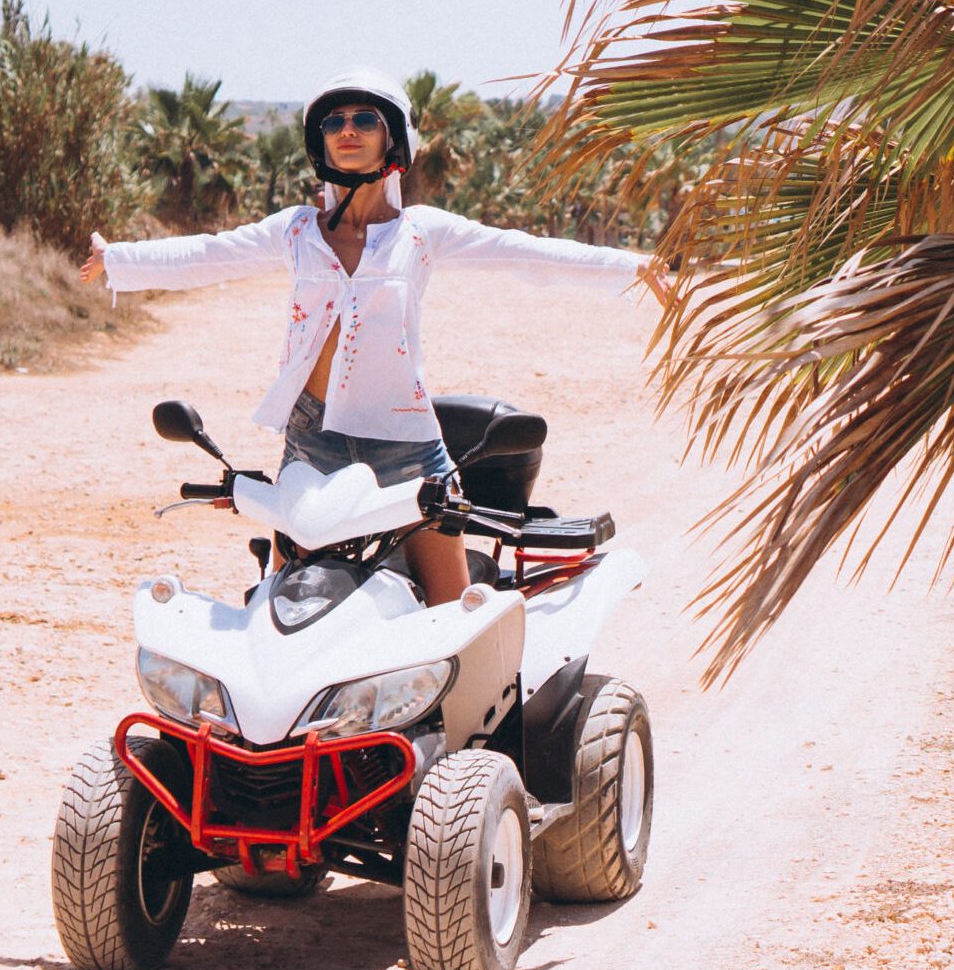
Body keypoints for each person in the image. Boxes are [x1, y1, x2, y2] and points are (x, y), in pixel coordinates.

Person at [80, 68, 650, 605]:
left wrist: (633, 267)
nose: (346, 130)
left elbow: (526, 253)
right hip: (313, 439)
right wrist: (119, 259)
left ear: (392, 137)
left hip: (407, 442)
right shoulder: (295, 231)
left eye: (364, 120)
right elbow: (208, 254)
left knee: (453, 611)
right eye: (334, 122)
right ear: (320, 140)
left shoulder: (422, 233)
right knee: (286, 604)